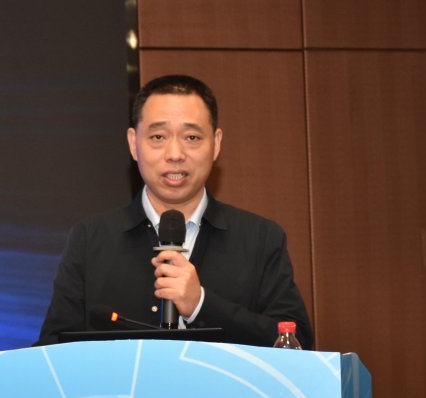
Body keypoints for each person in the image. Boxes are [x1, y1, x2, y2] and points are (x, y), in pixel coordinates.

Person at [35, 74, 313, 348]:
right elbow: (52, 349)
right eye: (158, 136)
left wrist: (200, 305)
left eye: (192, 137)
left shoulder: (260, 238)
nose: (175, 154)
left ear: (216, 144)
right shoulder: (90, 239)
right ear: (133, 143)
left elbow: (297, 343)